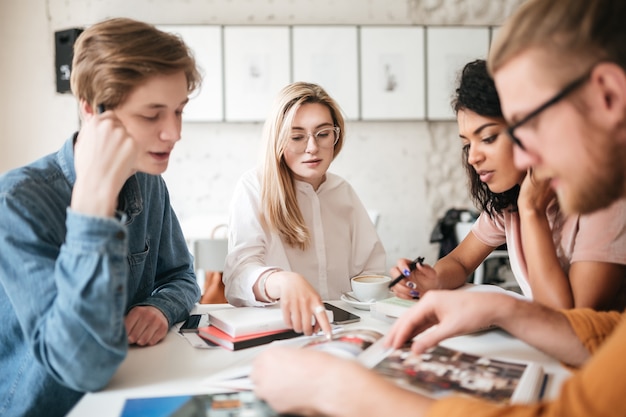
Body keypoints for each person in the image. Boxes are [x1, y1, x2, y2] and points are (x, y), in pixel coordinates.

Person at [250, 1, 626, 416]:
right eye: (471, 143)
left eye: (526, 124)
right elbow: (605, 337)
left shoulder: (601, 202)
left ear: (609, 95)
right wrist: (501, 306)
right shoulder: (516, 203)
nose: (524, 151)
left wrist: (339, 390)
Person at [0, 18, 202, 417]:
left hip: (127, 393)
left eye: (179, 111)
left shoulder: (148, 182)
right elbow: (81, 367)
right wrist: (93, 208)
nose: (174, 132)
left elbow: (181, 276)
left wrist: (160, 308)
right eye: (152, 115)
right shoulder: (17, 202)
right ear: (93, 110)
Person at [391, 59, 626, 311]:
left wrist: (532, 210)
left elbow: (572, 321)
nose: (473, 158)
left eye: (488, 138)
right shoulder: (509, 199)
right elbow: (460, 261)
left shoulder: (608, 201)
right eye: (467, 144)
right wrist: (433, 280)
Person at [223, 81, 386, 336]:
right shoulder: (254, 188)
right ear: (277, 140)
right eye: (297, 137)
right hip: (279, 332)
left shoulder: (342, 192)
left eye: (323, 134)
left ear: (336, 135)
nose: (312, 147)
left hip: (343, 331)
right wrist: (282, 281)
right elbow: (237, 279)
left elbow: (370, 270)